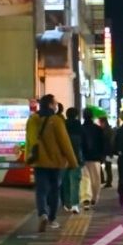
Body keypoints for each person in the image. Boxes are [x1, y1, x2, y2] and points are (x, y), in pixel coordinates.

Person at [25, 94, 78, 231]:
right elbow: (65, 143)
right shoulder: (56, 120)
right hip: (56, 163)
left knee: (41, 191)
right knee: (55, 190)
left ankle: (42, 213)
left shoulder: (32, 120)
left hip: (39, 162)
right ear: (49, 105)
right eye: (55, 103)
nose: (56, 106)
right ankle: (52, 219)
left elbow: (29, 142)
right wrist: (73, 162)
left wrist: (28, 158)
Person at [81, 108, 108, 209]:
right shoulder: (98, 129)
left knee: (85, 179)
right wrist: (102, 156)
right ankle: (94, 198)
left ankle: (85, 198)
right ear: (92, 116)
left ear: (83, 116)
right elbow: (103, 143)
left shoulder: (81, 128)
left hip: (83, 157)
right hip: (96, 157)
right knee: (96, 179)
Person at [60, 107, 84, 213]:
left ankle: (67, 203)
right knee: (75, 181)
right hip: (76, 157)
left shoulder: (63, 125)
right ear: (76, 115)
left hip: (64, 157)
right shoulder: (78, 126)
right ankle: (75, 204)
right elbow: (83, 143)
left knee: (65, 181)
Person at [98, 117, 115, 189]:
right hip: (107, 151)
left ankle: (108, 181)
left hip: (106, 151)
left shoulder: (105, 131)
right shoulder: (109, 130)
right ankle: (106, 180)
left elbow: (109, 142)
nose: (100, 124)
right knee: (106, 166)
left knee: (107, 166)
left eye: (100, 122)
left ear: (104, 122)